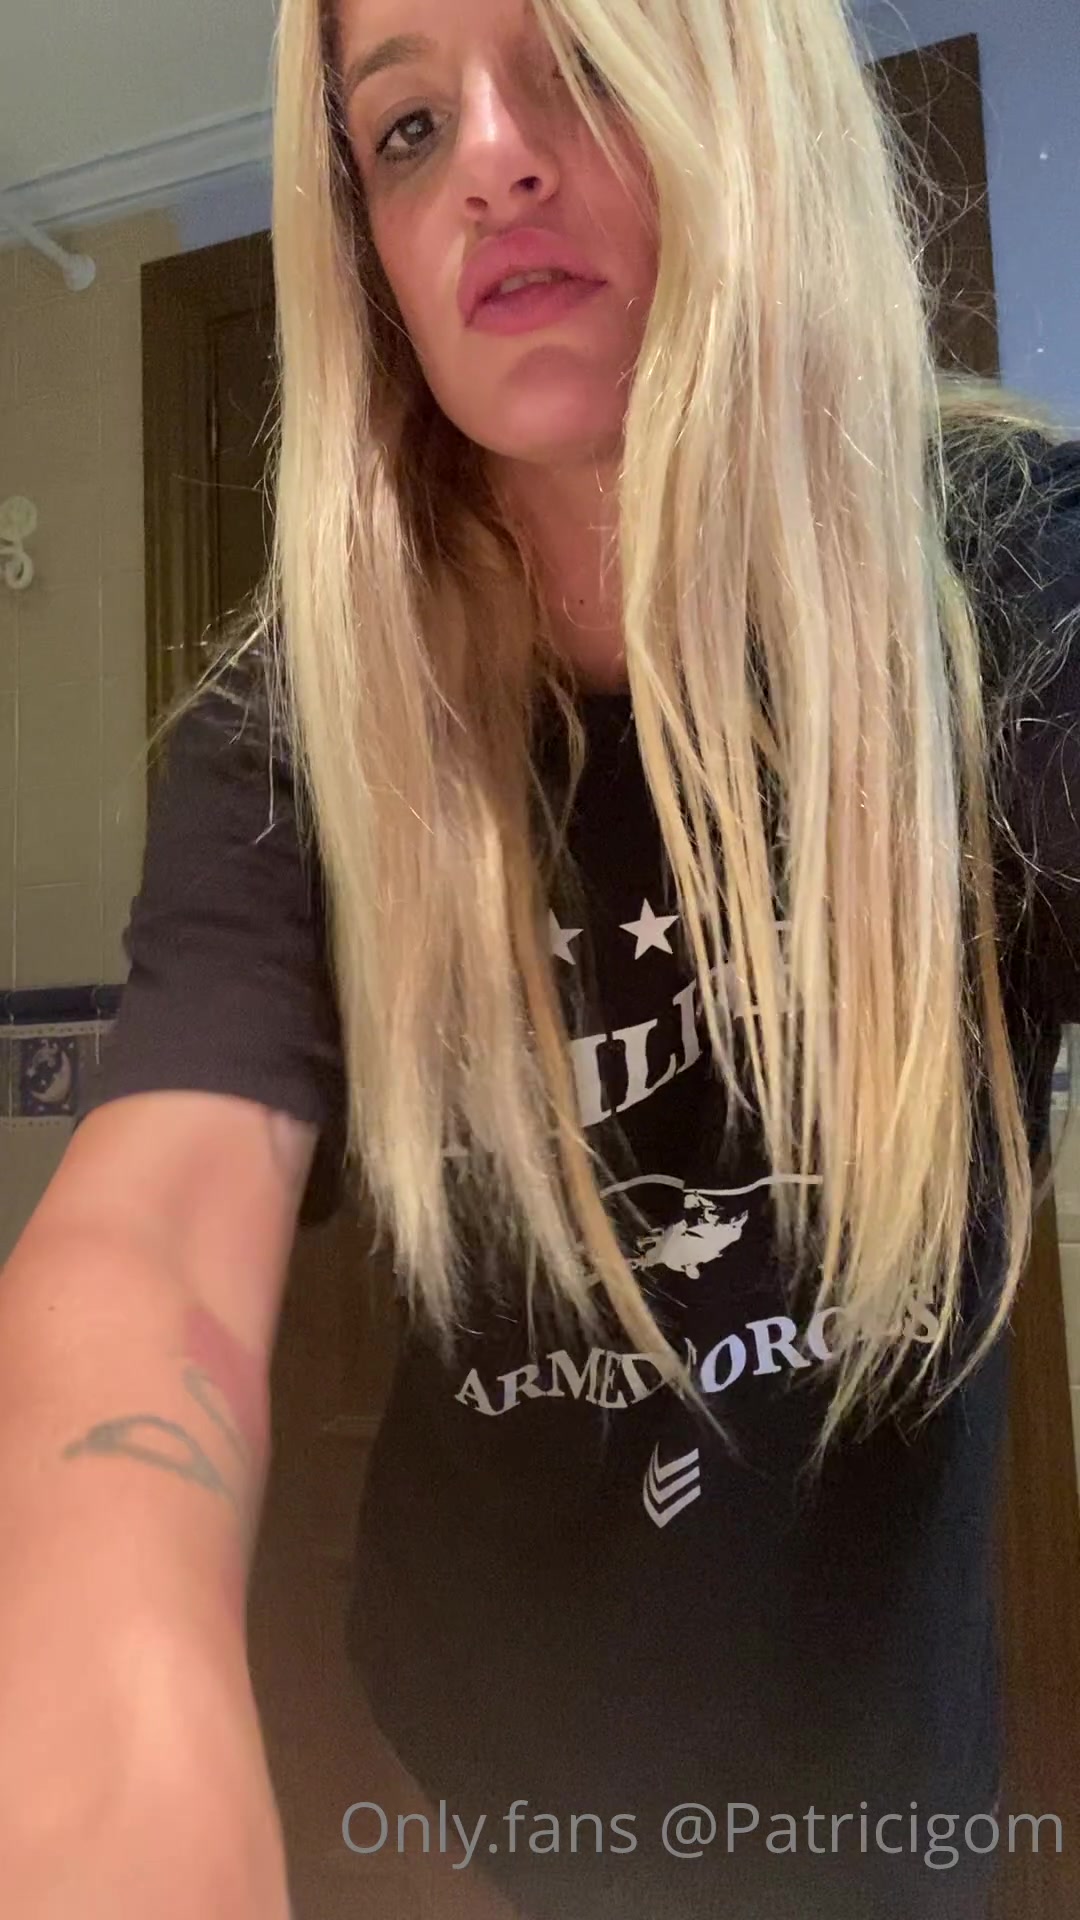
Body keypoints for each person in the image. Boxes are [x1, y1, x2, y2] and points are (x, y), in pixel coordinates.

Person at [1, 0, 1078, 1914]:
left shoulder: (1013, 588)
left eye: (576, 64)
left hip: (871, 1810)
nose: (490, 161)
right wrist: (112, 1708)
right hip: (461, 1788)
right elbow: (160, 1210)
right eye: (405, 128)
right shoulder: (298, 732)